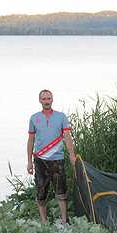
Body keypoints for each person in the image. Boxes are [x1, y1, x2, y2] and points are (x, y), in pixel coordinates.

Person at [27, 89, 76, 225]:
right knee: (41, 191)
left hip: (57, 159)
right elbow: (31, 140)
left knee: (61, 191)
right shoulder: (34, 118)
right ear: (40, 101)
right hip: (40, 160)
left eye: (49, 99)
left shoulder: (61, 117)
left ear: (52, 100)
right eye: (44, 99)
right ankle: (44, 222)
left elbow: (67, 137)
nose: (47, 101)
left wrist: (72, 156)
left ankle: (64, 221)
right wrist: (29, 162)